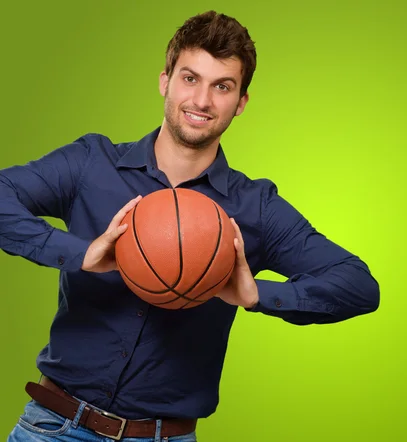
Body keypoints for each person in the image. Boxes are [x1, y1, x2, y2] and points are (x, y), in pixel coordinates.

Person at [1, 10, 380, 442]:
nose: (202, 100)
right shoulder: (92, 163)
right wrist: (78, 252)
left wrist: (258, 295)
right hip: (52, 428)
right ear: (165, 80)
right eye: (190, 78)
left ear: (241, 103)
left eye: (222, 86)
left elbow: (359, 285)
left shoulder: (255, 208)